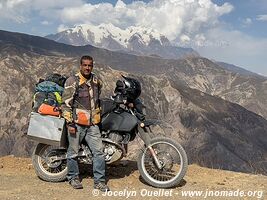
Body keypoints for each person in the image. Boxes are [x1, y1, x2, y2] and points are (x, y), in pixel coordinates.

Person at [61, 55, 109, 191]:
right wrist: (70, 124)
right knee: (73, 152)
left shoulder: (96, 80)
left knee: (99, 152)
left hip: (93, 124)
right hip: (77, 124)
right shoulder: (73, 81)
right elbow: (65, 105)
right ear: (80, 66)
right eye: (85, 65)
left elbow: (97, 98)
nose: (87, 68)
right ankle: (73, 178)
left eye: (90, 65)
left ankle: (99, 182)